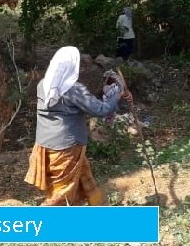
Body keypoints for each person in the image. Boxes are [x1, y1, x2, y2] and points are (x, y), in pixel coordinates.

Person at [24, 46, 128, 206]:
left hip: (46, 146)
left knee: (86, 180)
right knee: (61, 194)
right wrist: (117, 93)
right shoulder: (73, 90)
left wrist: (102, 96)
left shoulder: (43, 85)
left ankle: (100, 210)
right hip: (67, 149)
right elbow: (101, 109)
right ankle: (37, 225)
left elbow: (80, 105)